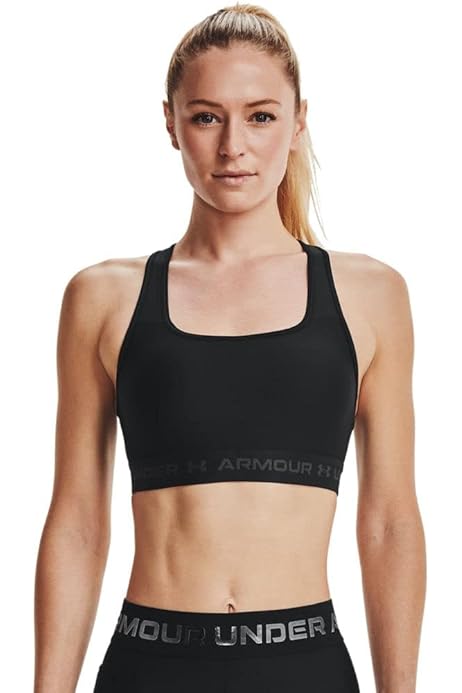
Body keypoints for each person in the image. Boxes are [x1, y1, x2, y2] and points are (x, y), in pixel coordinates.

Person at [34, 4, 426, 692]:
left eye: (261, 116)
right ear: (171, 124)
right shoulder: (103, 297)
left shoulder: (369, 294)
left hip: (305, 668)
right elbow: (77, 522)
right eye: (207, 117)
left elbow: (390, 522)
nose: (233, 146)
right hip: (149, 667)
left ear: (299, 123)